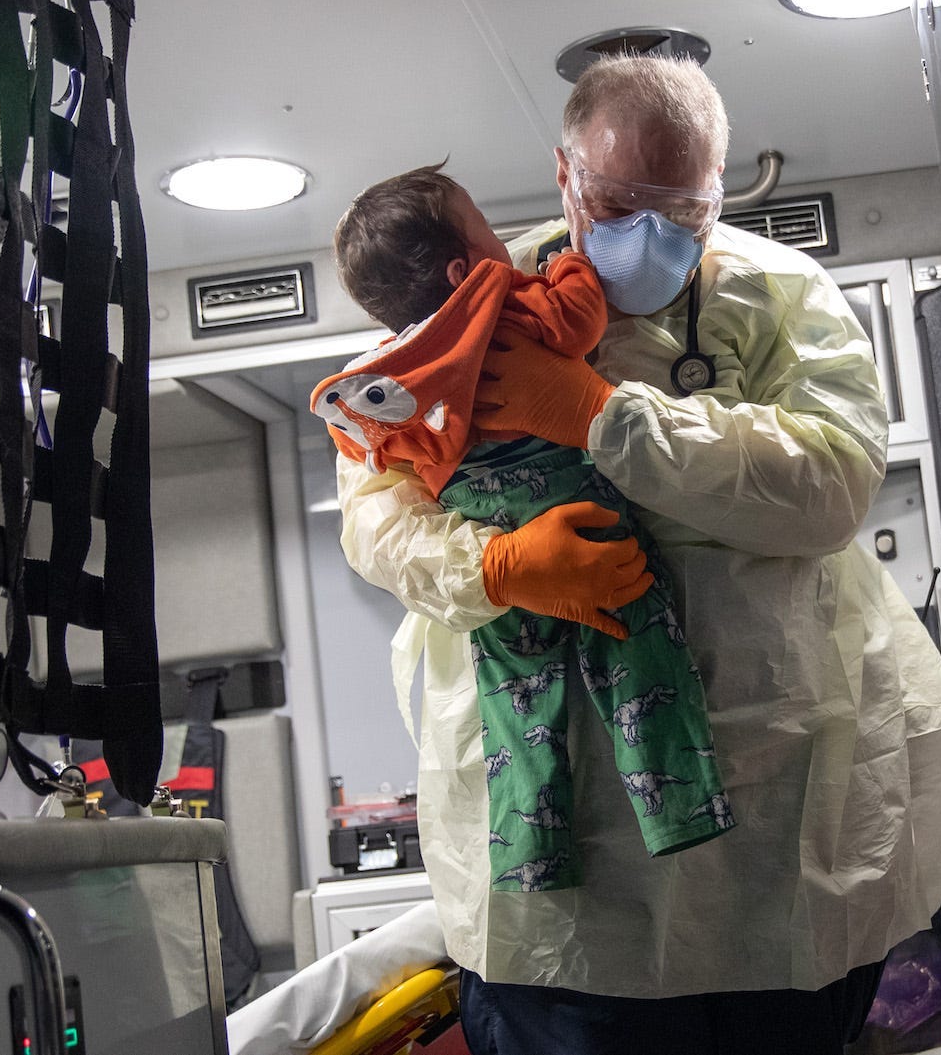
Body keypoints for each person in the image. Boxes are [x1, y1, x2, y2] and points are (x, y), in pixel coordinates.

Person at [335, 54, 941, 1054]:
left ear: (716, 191)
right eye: (620, 200)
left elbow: (832, 485)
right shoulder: (471, 322)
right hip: (572, 884)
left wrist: (606, 417)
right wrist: (497, 568)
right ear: (564, 176)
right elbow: (376, 513)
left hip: (776, 839)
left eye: (682, 208)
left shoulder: (776, 296)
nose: (651, 231)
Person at [313, 168, 734, 893]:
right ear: (462, 268)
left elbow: (379, 467)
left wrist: (501, 567)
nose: (501, 242)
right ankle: (681, 810)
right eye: (484, 225)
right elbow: (576, 319)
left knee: (514, 703)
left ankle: (529, 853)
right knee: (641, 654)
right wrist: (568, 266)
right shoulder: (501, 301)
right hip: (574, 506)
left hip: (490, 535)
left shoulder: (381, 381)